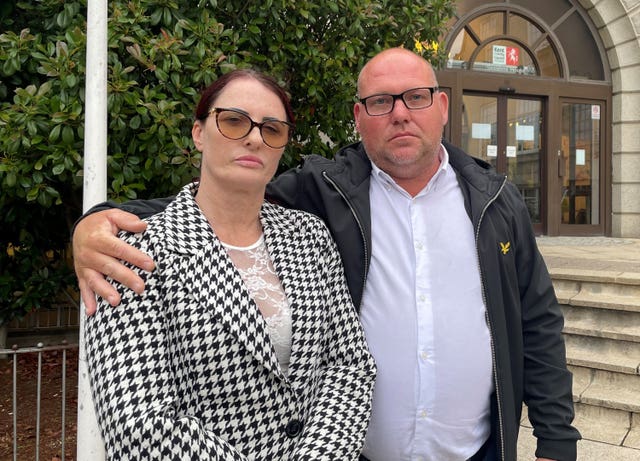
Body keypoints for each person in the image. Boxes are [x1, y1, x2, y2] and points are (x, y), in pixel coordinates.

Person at [74, 48, 581, 461]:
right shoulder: (326, 192)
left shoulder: (496, 199)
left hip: (476, 451)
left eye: (417, 97)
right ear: (359, 117)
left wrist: (556, 438)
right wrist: (96, 219)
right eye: (381, 101)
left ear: (443, 107)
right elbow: (229, 193)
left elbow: (536, 319)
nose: (400, 113)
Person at [81, 68, 376, 460]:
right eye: (234, 121)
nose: (255, 137)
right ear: (199, 133)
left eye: (272, 129)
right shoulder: (132, 251)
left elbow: (349, 365)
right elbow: (140, 422)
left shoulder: (310, 238)